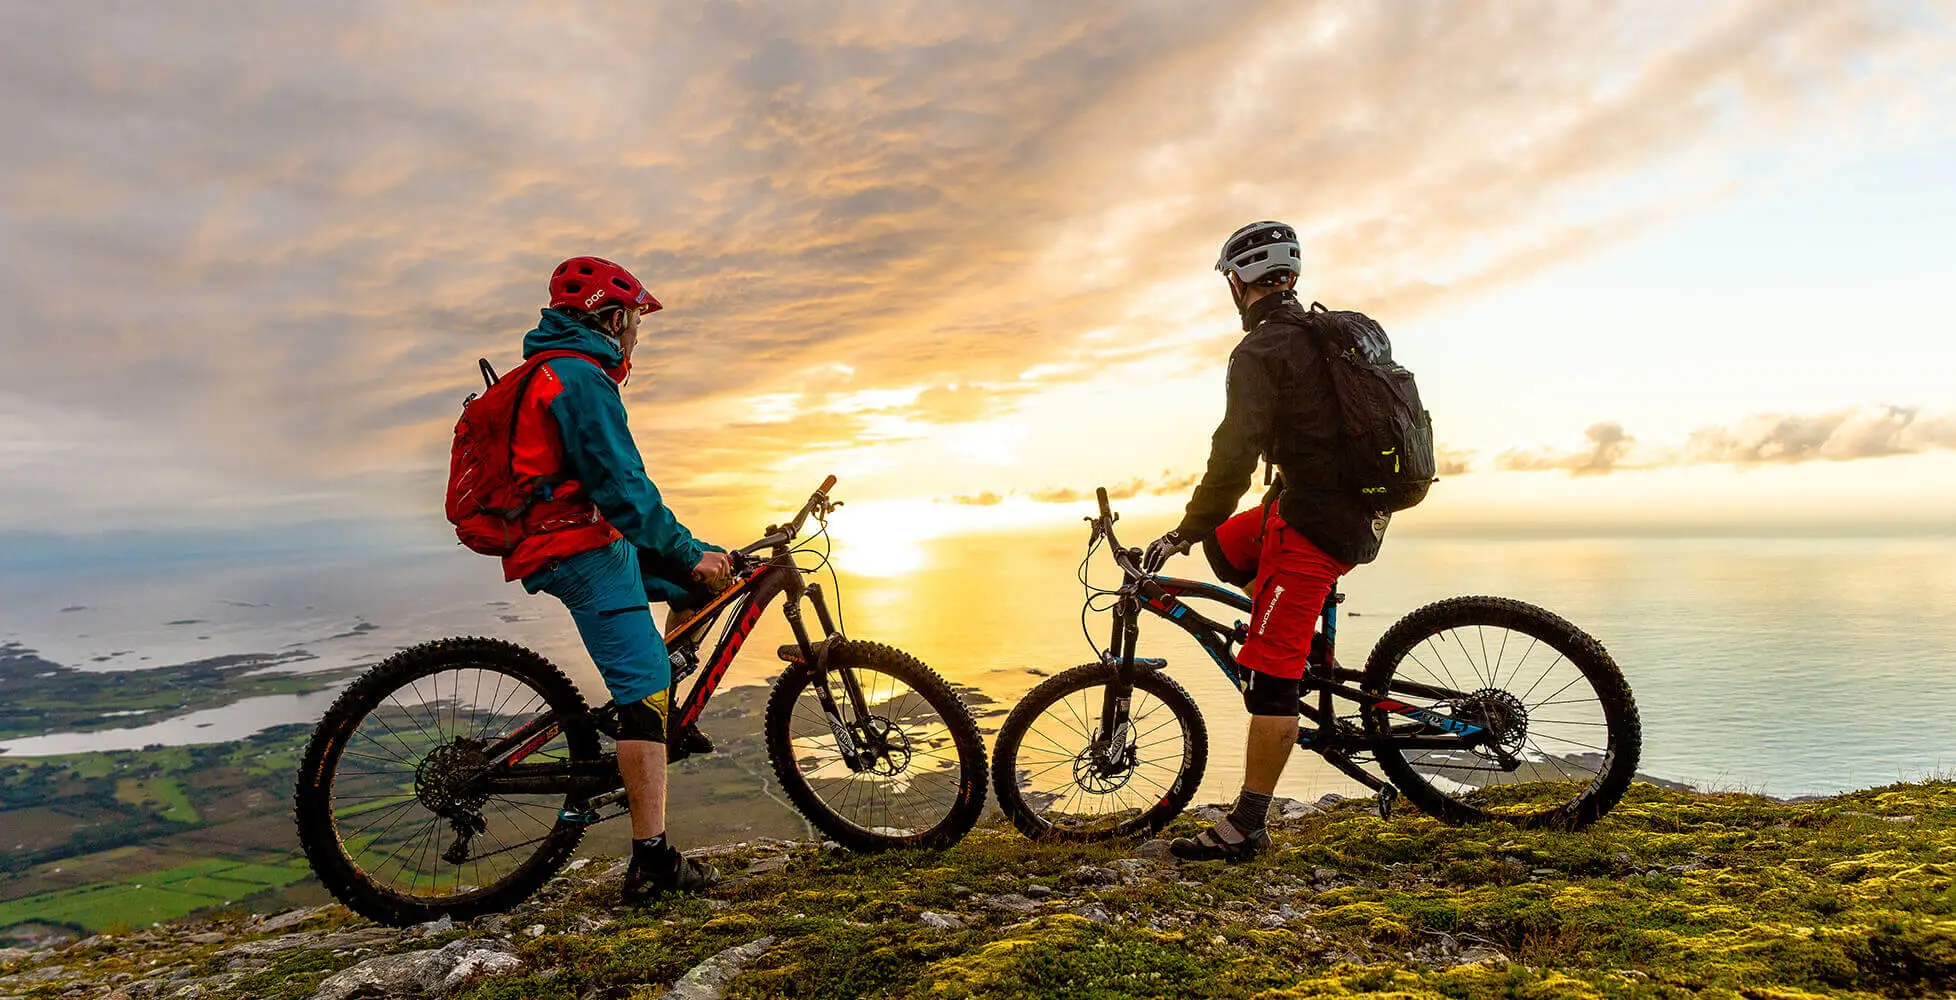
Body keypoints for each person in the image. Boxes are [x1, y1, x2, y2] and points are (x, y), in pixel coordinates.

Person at [1143, 221, 1393, 862]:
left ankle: (1247, 826)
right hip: (1342, 509)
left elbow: (1234, 452)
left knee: (1270, 685)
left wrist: (1187, 526)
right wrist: (1206, 535)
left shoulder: (1259, 352)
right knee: (1227, 548)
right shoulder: (1323, 334)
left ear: (1238, 282)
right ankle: (1297, 636)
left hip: (1312, 526)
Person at [502, 255, 731, 901]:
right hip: (576, 548)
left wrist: (694, 561)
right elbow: (624, 487)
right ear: (610, 318)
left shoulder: (556, 371)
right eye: (633, 322)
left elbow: (615, 496)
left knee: (707, 581)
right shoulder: (578, 376)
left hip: (582, 535)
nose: (636, 336)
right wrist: (685, 550)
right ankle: (652, 862)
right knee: (646, 681)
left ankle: (656, 708)